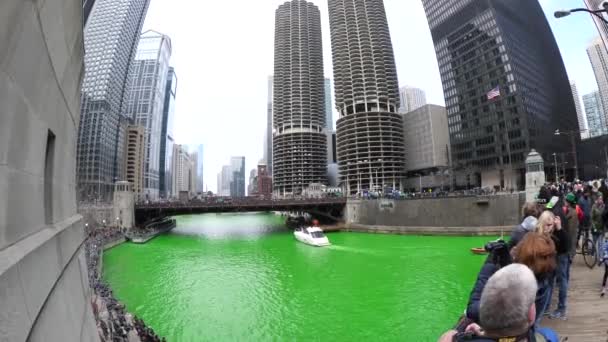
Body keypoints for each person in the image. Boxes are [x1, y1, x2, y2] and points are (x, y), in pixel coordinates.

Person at [439, 264, 559, 342]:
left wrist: (473, 335)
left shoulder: (456, 339)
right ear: (530, 315)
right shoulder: (547, 337)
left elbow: (447, 337)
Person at [465, 233, 556, 326]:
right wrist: (507, 262)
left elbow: (473, 310)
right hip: (525, 334)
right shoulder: (543, 281)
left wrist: (488, 265)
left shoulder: (517, 293)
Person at [536, 211, 570, 320]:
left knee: (561, 281)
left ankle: (561, 308)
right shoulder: (539, 232)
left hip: (561, 256)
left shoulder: (558, 231)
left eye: (550, 225)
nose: (548, 227)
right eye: (546, 224)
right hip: (551, 258)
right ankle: (546, 307)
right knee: (549, 281)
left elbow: (565, 246)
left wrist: (559, 228)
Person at [562, 193, 579, 260]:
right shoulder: (574, 210)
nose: (564, 202)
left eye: (566, 201)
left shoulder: (571, 212)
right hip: (573, 234)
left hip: (570, 235)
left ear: (569, 202)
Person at [592, 194, 605, 264]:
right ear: (597, 200)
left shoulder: (604, 206)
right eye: (599, 199)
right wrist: (594, 227)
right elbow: (592, 218)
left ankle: (600, 258)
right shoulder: (594, 207)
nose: (601, 200)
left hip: (601, 228)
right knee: (594, 242)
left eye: (601, 199)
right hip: (595, 228)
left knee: (600, 244)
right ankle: (592, 253)